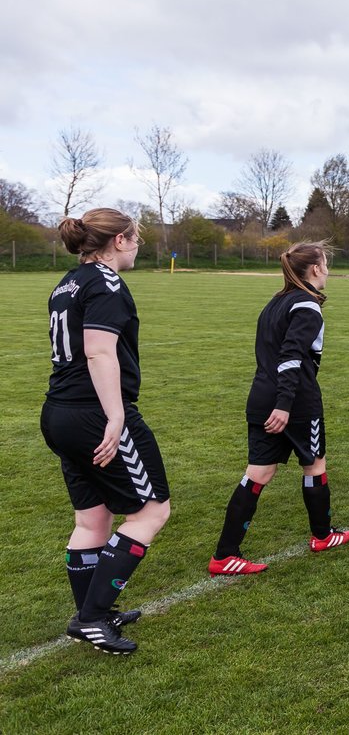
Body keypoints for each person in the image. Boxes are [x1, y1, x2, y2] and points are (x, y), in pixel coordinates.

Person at [43, 209, 171, 655]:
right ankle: (95, 615)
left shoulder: (67, 282)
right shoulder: (106, 281)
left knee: (92, 518)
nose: (138, 245)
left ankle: (90, 616)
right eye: (135, 237)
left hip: (59, 412)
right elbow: (99, 352)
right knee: (152, 511)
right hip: (93, 413)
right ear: (119, 240)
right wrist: (115, 417)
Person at [210, 242, 349, 576]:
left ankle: (224, 555)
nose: (328, 269)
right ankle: (322, 536)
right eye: (326, 263)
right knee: (315, 465)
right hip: (295, 402)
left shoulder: (276, 302)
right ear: (316, 268)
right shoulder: (306, 305)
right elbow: (290, 357)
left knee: (258, 473)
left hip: (261, 396)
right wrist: (286, 404)